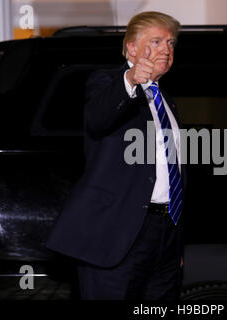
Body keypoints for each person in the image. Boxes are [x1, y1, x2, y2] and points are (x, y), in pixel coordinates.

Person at [46, 11, 186, 300]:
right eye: (157, 41)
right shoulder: (107, 83)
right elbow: (98, 118)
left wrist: (175, 243)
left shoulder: (166, 100)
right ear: (132, 48)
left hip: (164, 234)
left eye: (171, 43)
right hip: (117, 234)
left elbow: (171, 173)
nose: (166, 49)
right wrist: (131, 80)